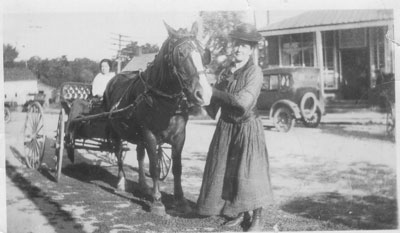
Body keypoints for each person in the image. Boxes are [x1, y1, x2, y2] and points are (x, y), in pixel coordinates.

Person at [196, 23, 274, 232]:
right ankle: (240, 213)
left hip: (247, 127)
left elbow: (242, 103)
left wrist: (213, 92)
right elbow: (213, 108)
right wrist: (200, 96)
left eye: (244, 46)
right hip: (227, 127)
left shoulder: (254, 72)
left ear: (251, 50)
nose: (239, 49)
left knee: (250, 172)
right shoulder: (225, 72)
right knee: (231, 172)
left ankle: (258, 217)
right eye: (237, 45)